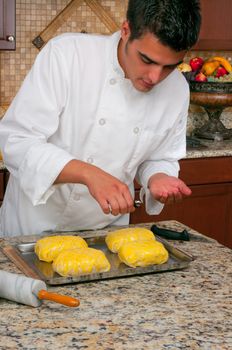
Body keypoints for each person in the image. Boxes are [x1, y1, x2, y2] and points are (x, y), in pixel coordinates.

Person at [0, 0, 201, 236]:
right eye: (147, 60)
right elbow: (17, 141)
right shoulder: (67, 55)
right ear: (126, 31)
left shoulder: (177, 89)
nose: (155, 77)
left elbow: (159, 156)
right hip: (31, 230)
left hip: (105, 233)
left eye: (170, 66)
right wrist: (89, 173)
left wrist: (158, 177)